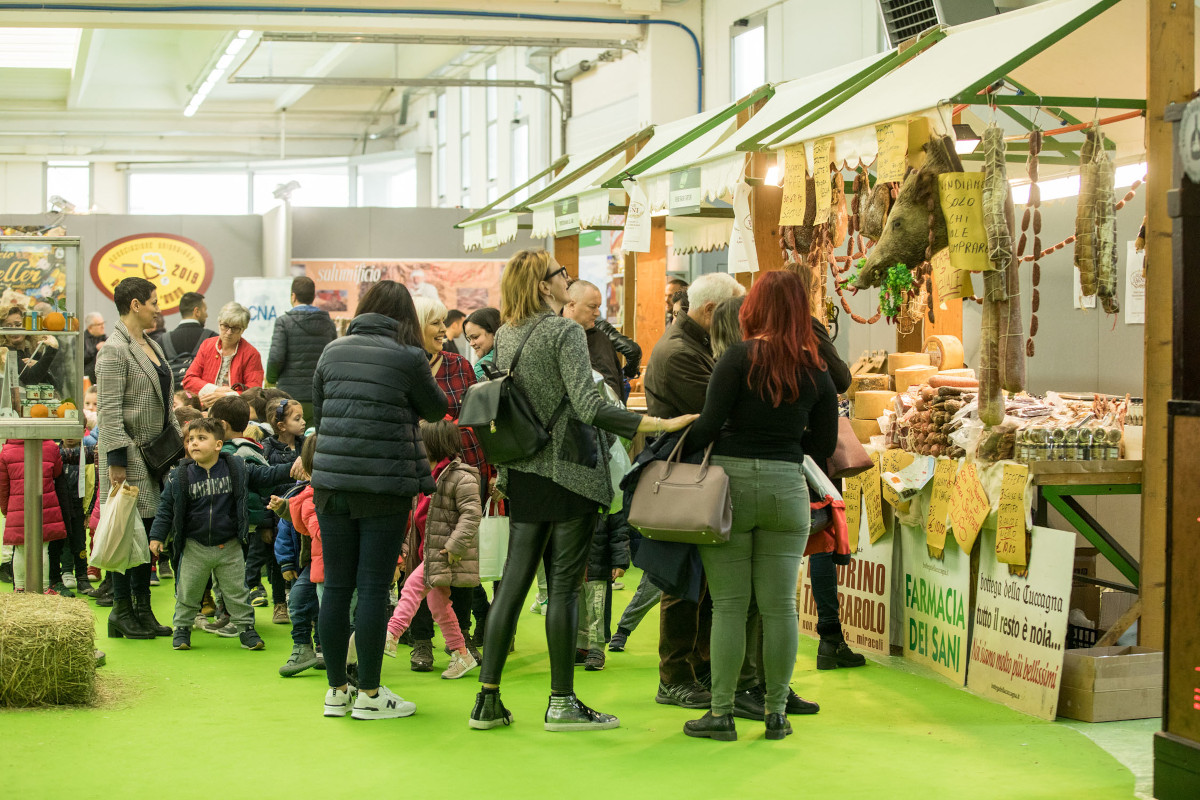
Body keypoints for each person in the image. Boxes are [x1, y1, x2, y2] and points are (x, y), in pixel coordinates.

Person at [468, 249, 695, 733]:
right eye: (561, 274)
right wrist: (655, 423)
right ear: (545, 284)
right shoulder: (565, 332)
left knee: (512, 584)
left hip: (524, 475)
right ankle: (562, 702)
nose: (566, 280)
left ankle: (487, 699)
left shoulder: (506, 335)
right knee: (565, 589)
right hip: (569, 473)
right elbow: (589, 404)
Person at [679, 270, 839, 743]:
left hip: (729, 488)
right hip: (787, 488)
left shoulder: (734, 358)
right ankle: (776, 713)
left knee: (729, 606)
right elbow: (825, 443)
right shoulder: (815, 369)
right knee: (780, 609)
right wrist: (787, 438)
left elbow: (707, 426)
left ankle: (723, 714)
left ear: (754, 310)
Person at [311, 279, 448, 721]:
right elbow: (435, 410)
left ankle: (336, 691)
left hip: (331, 484)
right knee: (372, 587)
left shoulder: (333, 350)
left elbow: (319, 409)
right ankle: (369, 693)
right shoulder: (409, 357)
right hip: (385, 486)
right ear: (405, 315)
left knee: (335, 586)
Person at [641, 271, 744, 711]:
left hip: (693, 478)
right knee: (682, 583)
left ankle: (696, 669)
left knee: (699, 583)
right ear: (710, 312)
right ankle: (675, 677)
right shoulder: (680, 352)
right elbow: (719, 413)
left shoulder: (694, 345)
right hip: (682, 480)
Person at [147, 417, 295, 652]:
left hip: (230, 545)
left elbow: (266, 476)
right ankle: (182, 629)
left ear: (218, 445)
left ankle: (246, 630)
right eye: (191, 439)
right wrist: (156, 537)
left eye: (201, 439)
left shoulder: (236, 468)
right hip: (194, 546)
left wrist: (293, 467)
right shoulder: (180, 476)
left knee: (237, 592)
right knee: (188, 591)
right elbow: (166, 508)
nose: (194, 443)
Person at [96, 276, 181, 639]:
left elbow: (166, 403)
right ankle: (120, 611)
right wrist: (117, 462)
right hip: (128, 455)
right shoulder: (114, 349)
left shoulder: (150, 344)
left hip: (157, 455)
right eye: (153, 301)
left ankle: (141, 611)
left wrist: (178, 446)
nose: (158, 308)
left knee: (145, 533)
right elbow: (108, 412)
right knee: (123, 533)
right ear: (135, 304)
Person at [410, 295, 487, 671]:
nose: (444, 330)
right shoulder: (404, 366)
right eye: (435, 323)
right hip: (417, 477)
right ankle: (421, 639)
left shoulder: (460, 366)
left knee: (461, 559)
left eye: (444, 323)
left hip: (462, 474)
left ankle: (463, 636)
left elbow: (476, 421)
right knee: (418, 557)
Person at [384, 418, 482, 681]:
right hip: (428, 552)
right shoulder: (424, 478)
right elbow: (415, 521)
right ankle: (461, 654)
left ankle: (391, 633)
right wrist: (405, 550)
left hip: (444, 554)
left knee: (412, 588)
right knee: (439, 605)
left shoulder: (461, 476)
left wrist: (454, 545)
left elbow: (472, 515)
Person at [209, 395, 290, 625]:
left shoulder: (234, 453)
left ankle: (232, 615)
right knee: (232, 571)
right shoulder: (252, 448)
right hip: (241, 521)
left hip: (232, 521)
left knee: (229, 573)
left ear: (222, 425)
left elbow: (265, 480)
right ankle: (230, 613)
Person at [274, 435, 320, 677]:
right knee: (299, 600)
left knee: (329, 608)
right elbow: (290, 529)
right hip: (313, 563)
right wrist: (287, 561)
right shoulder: (300, 494)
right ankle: (303, 646)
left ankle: (325, 648)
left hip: (337, 562)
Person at [266, 277, 337, 420]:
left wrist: (271, 379)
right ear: (313, 297)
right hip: (320, 394)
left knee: (290, 438)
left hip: (290, 396)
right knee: (313, 439)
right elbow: (334, 358)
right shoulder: (328, 323)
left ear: (293, 296)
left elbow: (276, 358)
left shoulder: (284, 322)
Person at [0, 439, 65, 593]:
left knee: (20, 548)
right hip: (44, 503)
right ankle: (43, 588)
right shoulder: (50, 447)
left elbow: (3, 485)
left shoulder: (6, 450)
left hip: (17, 504)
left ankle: (20, 588)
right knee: (43, 547)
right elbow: (57, 472)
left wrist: (5, 509)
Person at [563, 280, 641, 400]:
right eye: (592, 307)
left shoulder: (601, 336)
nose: (597, 313)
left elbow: (615, 379)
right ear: (571, 305)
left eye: (598, 307)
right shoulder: (558, 338)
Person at [181, 302, 264, 409]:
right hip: (204, 409)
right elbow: (189, 379)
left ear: (243, 329)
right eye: (225, 326)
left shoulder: (251, 354)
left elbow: (255, 393)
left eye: (235, 328)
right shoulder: (207, 345)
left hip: (235, 412)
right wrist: (216, 390)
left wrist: (226, 397)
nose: (229, 332)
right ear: (219, 323)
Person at [161, 292, 216, 384]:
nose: (206, 315)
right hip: (203, 395)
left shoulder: (161, 341)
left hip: (173, 396)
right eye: (204, 310)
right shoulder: (213, 339)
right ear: (197, 312)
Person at [4, 306, 60, 388]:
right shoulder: (5, 351)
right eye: (8, 326)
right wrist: (52, 349)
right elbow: (30, 380)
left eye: (18, 325)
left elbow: (54, 385)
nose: (14, 330)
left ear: (28, 325)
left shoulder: (32, 350)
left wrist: (38, 364)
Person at [463, 307, 500, 381]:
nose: (471, 343)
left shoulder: (483, 366)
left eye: (475, 337)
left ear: (494, 332)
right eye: (469, 339)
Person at [83, 311, 107, 384]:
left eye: (103, 323)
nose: (103, 326)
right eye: (99, 324)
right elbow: (79, 359)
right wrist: (95, 348)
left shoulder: (106, 339)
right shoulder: (81, 340)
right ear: (90, 327)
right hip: (86, 381)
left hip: (103, 380)